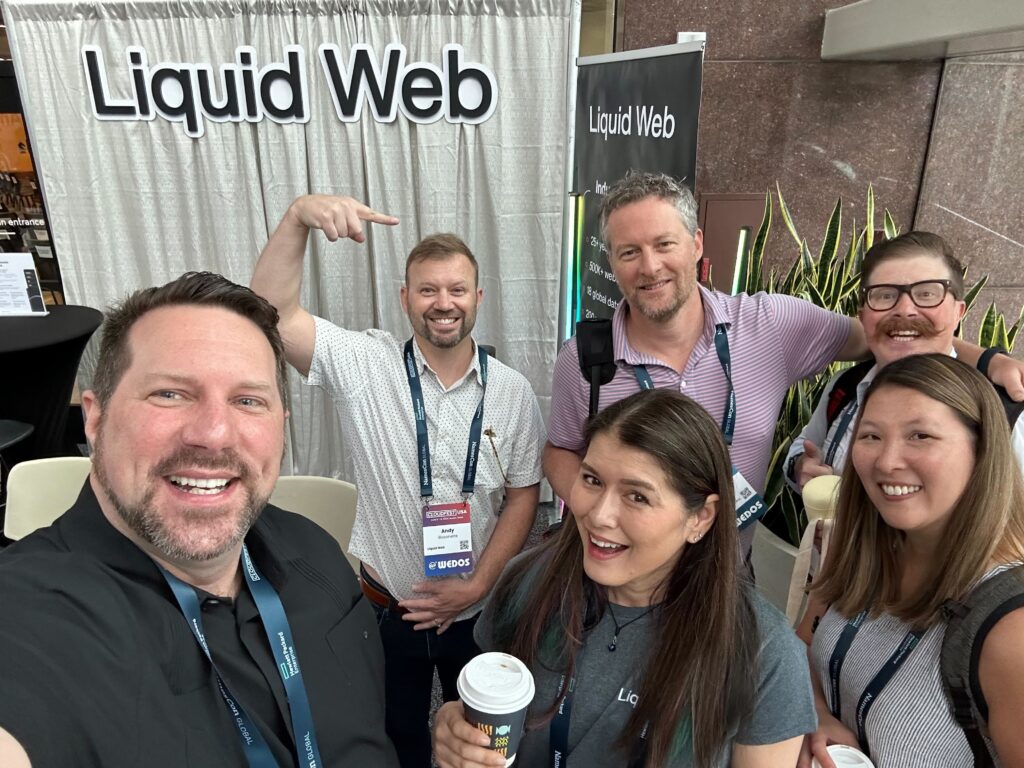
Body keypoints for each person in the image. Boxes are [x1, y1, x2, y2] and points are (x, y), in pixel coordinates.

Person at [0, 272, 398, 767]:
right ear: (95, 419)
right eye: (170, 393)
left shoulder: (316, 549)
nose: (213, 433)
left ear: (281, 428)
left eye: (248, 400)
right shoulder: (29, 618)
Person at [545, 172, 1024, 559]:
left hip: (726, 577)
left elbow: (888, 333)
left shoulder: (773, 324)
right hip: (617, 572)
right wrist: (597, 513)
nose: (649, 267)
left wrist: (982, 356)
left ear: (695, 244)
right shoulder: (587, 359)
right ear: (612, 260)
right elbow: (561, 450)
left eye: (664, 244)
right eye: (629, 252)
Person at [250, 196, 545, 767]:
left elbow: (524, 492)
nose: (444, 303)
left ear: (478, 299)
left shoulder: (510, 393)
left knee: (480, 748)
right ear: (405, 299)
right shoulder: (368, 366)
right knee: (394, 738)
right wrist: (297, 219)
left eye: (457, 289)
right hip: (387, 609)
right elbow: (271, 314)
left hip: (475, 611)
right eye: (428, 290)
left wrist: (479, 584)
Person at [434, 389, 816, 768]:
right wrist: (454, 731)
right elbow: (483, 710)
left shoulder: (765, 653)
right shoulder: (527, 583)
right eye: (592, 480)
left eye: (637, 497)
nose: (600, 515)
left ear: (701, 517)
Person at [797, 354, 1024, 768]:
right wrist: (816, 716)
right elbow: (801, 647)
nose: (886, 462)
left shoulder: (1009, 627)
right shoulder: (860, 551)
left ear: (982, 450)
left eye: (920, 436)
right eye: (871, 436)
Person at [786, 231, 1024, 490]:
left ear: (958, 311)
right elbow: (806, 444)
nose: (905, 309)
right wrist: (800, 466)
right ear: (863, 316)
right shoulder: (845, 388)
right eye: (885, 295)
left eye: (926, 294)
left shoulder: (1005, 416)